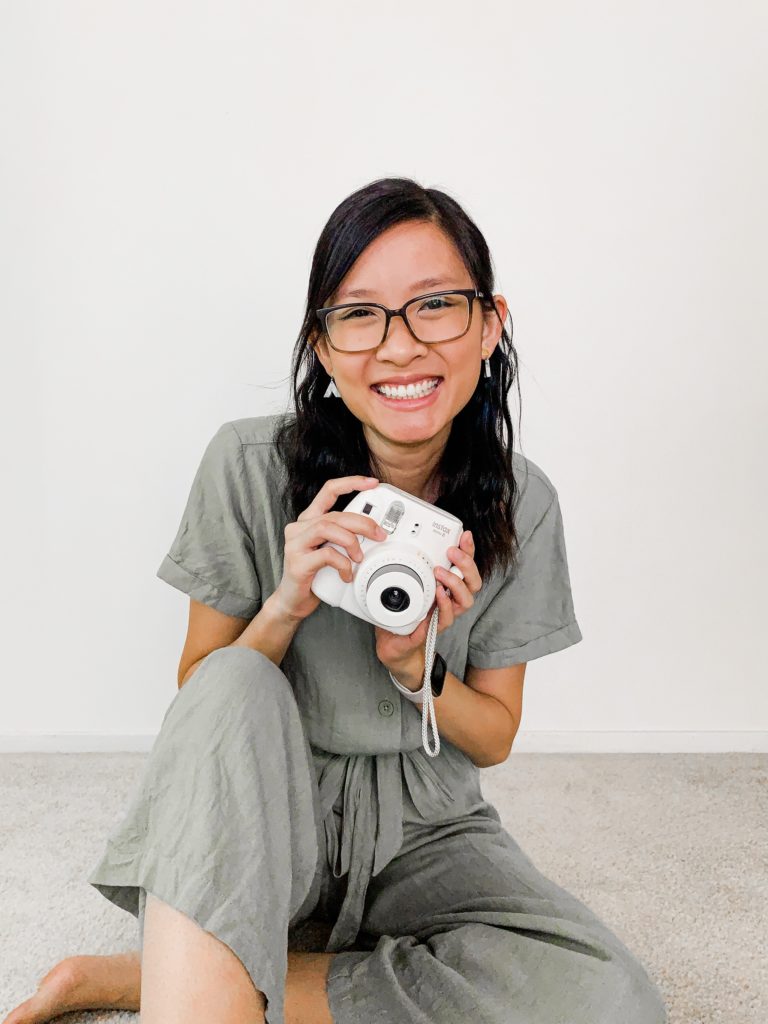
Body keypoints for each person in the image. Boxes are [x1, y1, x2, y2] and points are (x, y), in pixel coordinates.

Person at [3, 177, 668, 1024]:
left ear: (491, 324)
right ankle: (209, 988)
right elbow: (203, 699)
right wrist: (286, 600)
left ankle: (153, 977)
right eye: (359, 315)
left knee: (611, 1000)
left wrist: (415, 668)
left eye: (434, 306)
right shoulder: (249, 466)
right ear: (321, 344)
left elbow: (494, 736)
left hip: (424, 829)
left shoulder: (519, 502)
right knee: (236, 679)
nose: (399, 347)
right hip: (263, 810)